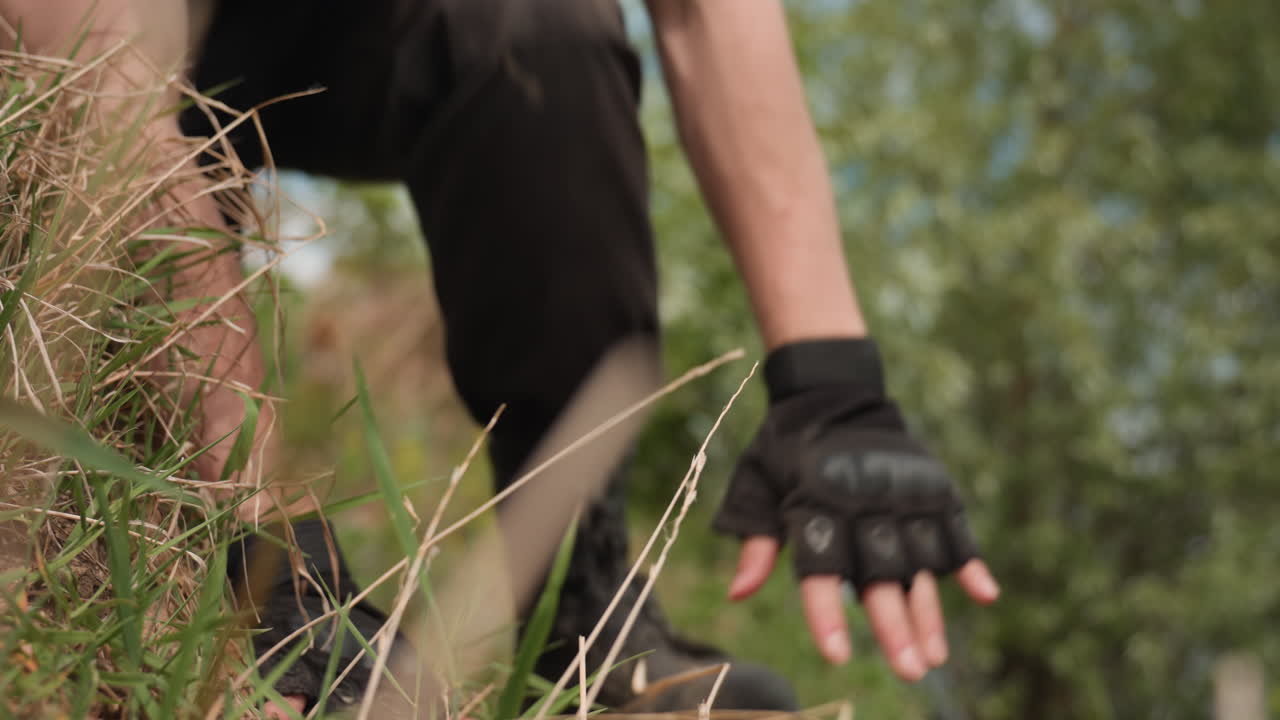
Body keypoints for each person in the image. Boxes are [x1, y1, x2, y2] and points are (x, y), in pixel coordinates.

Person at [1, 0, 1001, 716]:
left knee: (535, 26)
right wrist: (270, 575)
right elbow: (104, 97)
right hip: (66, 41)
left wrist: (830, 384)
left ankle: (583, 616)